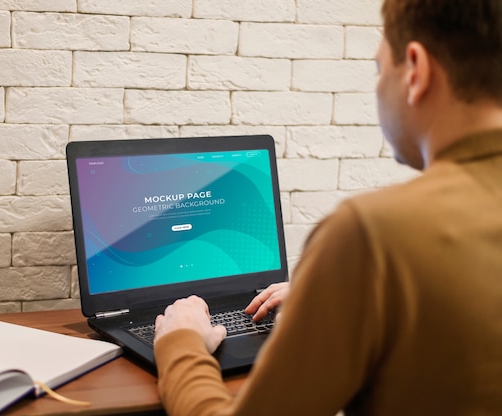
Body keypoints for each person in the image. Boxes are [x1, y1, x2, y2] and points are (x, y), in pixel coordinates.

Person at [153, 1, 502, 414]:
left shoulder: (375, 234)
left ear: (416, 70)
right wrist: (334, 299)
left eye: (378, 69)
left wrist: (180, 342)